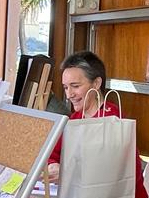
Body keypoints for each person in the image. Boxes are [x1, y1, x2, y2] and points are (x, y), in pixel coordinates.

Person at [46, 50, 118, 181]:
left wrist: (67, 172)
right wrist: (53, 165)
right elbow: (51, 155)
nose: (69, 95)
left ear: (96, 83)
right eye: (66, 88)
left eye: (75, 86)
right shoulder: (74, 119)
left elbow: (108, 171)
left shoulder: (113, 120)